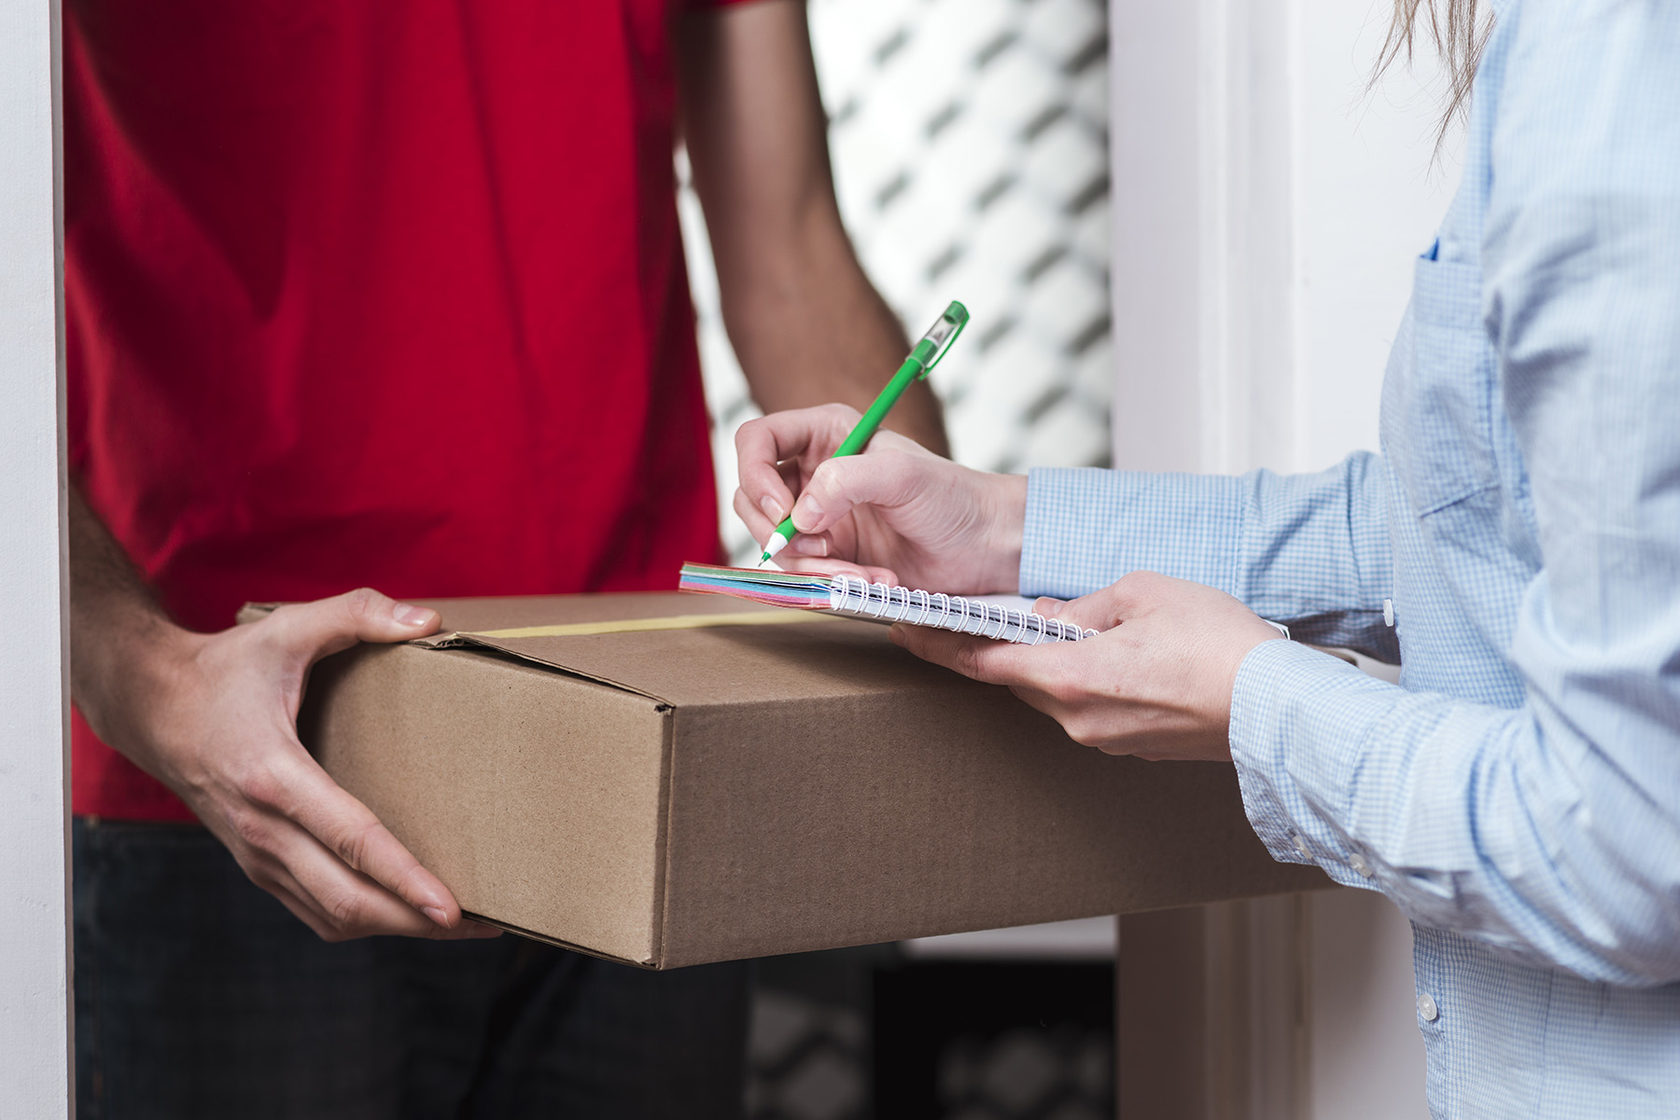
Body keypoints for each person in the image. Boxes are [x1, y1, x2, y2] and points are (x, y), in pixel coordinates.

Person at [733, 0, 1680, 1115]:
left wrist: (1254, 702)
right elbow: (1456, 523)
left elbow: (1629, 841)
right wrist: (1000, 528)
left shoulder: (1611, 57)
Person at [66, 1, 945, 1117]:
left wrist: (940, 540)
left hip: (638, 749)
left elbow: (788, 249)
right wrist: (148, 677)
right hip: (251, 765)